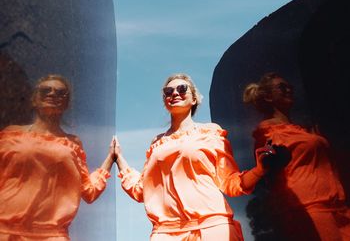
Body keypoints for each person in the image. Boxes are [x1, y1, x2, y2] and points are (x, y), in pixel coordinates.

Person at [114, 73, 270, 241]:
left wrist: (260, 170)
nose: (174, 93)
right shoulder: (157, 144)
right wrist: (119, 159)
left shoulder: (210, 132)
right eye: (168, 91)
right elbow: (142, 190)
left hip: (212, 227)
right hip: (165, 233)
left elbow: (231, 182)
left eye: (182, 88)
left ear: (194, 99)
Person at [0, 74, 115, 240]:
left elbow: (88, 191)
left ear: (66, 103)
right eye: (46, 90)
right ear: (34, 99)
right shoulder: (11, 134)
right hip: (5, 231)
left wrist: (110, 159)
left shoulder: (72, 143)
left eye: (60, 93)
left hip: (52, 235)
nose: (52, 94)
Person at [243, 72, 350, 240]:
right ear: (269, 97)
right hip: (309, 209)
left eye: (289, 87)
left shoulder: (301, 130)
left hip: (336, 205)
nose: (288, 90)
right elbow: (268, 164)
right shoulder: (268, 134)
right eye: (281, 87)